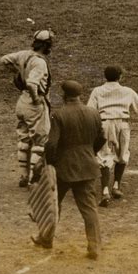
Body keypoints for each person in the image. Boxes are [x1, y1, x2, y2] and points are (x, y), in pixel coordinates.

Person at [35, 80, 106, 259]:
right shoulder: (93, 112)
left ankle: (46, 238)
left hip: (64, 168)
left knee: (53, 205)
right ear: (80, 95)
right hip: (88, 166)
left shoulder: (59, 115)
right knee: (89, 208)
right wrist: (90, 152)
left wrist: (51, 162)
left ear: (64, 96)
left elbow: (51, 145)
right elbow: (102, 138)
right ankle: (94, 247)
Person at [87, 66, 138, 207]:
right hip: (122, 125)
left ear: (105, 76)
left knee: (104, 156)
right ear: (120, 77)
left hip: (104, 124)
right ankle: (116, 186)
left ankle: (105, 190)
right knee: (122, 154)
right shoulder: (127, 91)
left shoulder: (97, 91)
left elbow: (90, 110)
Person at [0, 30, 54, 187]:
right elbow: (32, 83)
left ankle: (23, 176)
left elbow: (4, 60)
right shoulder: (40, 62)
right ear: (46, 45)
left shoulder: (23, 54)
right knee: (40, 141)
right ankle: (32, 178)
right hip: (34, 104)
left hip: (21, 101)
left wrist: (18, 71)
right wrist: (36, 99)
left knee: (24, 139)